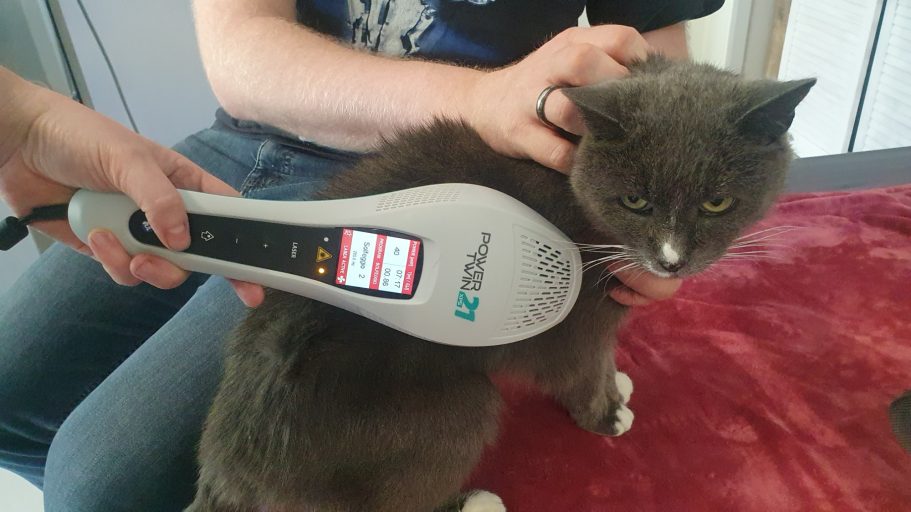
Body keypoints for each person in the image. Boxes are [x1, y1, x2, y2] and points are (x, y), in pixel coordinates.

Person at [0, 1, 722, 509]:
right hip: (251, 140)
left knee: (102, 486)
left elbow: (658, 58)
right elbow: (239, 48)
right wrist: (476, 96)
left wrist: (661, 193)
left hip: (460, 182)